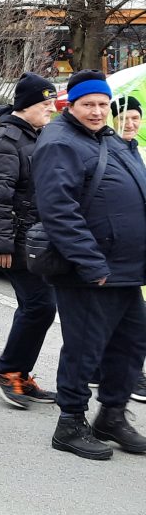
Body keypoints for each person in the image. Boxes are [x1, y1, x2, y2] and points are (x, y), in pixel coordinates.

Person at [33, 70, 146, 460]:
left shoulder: (111, 141)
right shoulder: (59, 143)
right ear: (72, 105)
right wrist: (90, 262)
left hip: (127, 270)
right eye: (89, 104)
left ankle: (111, 416)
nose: (98, 111)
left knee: (131, 347)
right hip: (89, 272)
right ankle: (70, 423)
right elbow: (58, 211)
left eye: (102, 104)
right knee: (84, 349)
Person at [0, 73, 59, 409]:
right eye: (45, 102)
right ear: (27, 105)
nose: (51, 107)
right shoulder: (5, 140)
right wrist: (1, 246)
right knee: (40, 306)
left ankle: (19, 373)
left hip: (34, 237)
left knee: (36, 307)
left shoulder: (32, 135)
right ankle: (7, 371)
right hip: (16, 240)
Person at [111, 95, 146, 404]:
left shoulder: (134, 152)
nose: (131, 123)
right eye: (125, 117)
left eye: (136, 117)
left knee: (131, 321)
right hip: (114, 253)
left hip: (133, 252)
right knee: (132, 324)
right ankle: (130, 378)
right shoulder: (107, 151)